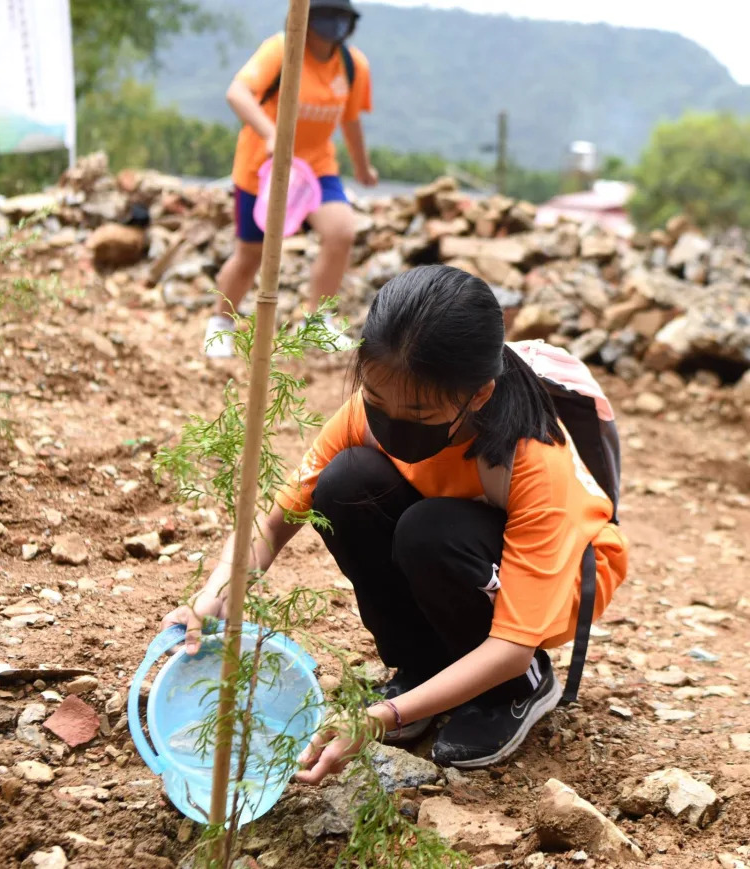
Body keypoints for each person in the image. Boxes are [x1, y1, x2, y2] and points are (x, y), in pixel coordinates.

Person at [165, 265, 629, 781]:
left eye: (421, 415)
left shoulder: (533, 460)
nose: (392, 422)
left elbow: (511, 648)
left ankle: (514, 694)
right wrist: (217, 592)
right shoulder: (374, 407)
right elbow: (272, 524)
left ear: (479, 395)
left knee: (430, 532)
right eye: (376, 399)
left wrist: (379, 719)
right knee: (344, 484)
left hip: (560, 577)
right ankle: (421, 666)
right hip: (451, 534)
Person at [204, 0, 379, 358]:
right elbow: (236, 93)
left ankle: (315, 322)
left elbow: (350, 120)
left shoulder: (352, 65)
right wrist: (272, 134)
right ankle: (220, 325)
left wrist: (363, 167)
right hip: (263, 168)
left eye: (339, 17)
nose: (332, 26)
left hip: (316, 166)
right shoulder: (280, 50)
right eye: (325, 16)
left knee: (340, 232)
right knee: (251, 254)